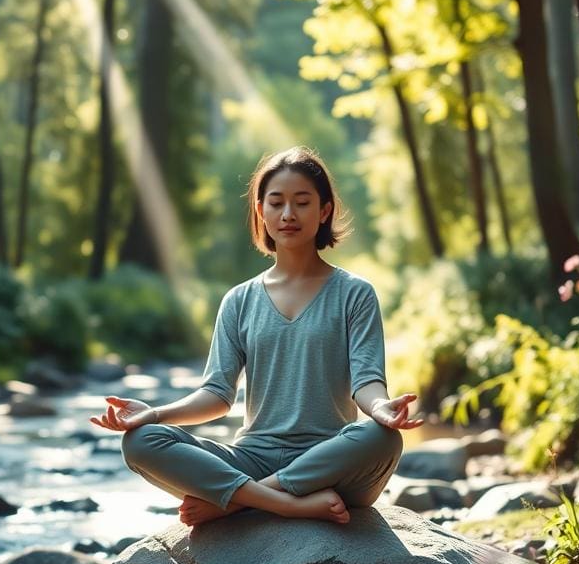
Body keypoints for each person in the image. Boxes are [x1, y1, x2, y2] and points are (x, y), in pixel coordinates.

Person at [90, 147, 423, 527]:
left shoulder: (354, 293)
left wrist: (382, 409)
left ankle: (236, 501)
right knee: (140, 441)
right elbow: (216, 396)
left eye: (302, 202)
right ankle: (283, 502)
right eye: (276, 202)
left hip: (330, 458)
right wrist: (154, 414)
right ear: (260, 210)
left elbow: (367, 380)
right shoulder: (239, 300)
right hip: (252, 456)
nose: (288, 215)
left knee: (383, 440)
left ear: (324, 210)